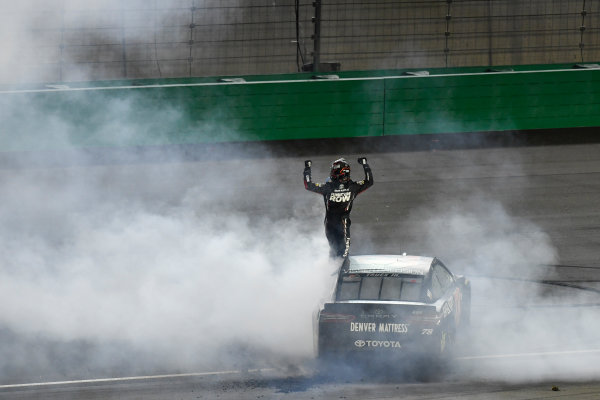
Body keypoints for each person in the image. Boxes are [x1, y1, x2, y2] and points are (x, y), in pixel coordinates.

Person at [303, 157, 373, 258]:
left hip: (335, 224)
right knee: (334, 250)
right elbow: (369, 181)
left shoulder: (329, 187)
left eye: (334, 170)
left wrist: (307, 168)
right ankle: (334, 265)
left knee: (342, 251)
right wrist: (365, 164)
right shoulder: (351, 186)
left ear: (339, 172)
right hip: (331, 225)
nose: (332, 172)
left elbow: (308, 185)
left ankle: (343, 261)